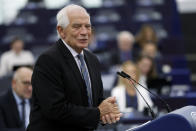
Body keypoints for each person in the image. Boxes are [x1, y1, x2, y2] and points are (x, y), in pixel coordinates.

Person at [27, 4, 121, 131]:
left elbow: (95, 102)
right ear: (61, 31)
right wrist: (98, 113)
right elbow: (56, 109)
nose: (84, 32)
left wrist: (107, 112)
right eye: (77, 27)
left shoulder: (92, 59)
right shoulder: (48, 60)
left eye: (87, 26)